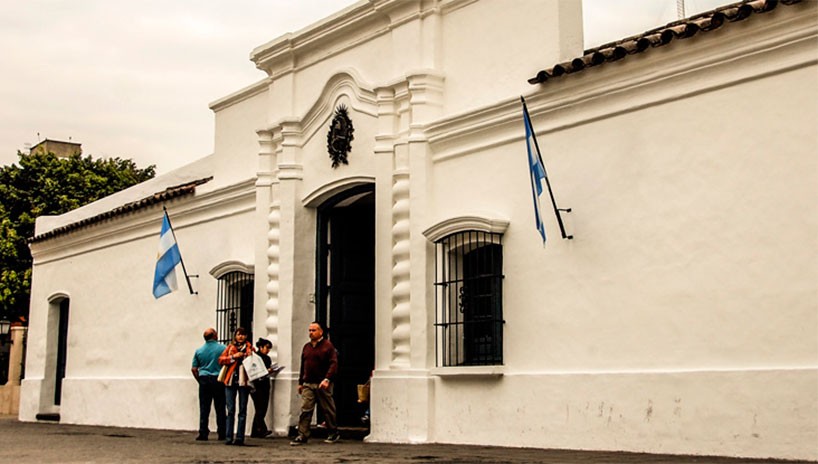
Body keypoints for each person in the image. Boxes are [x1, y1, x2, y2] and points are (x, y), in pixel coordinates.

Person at [290, 321, 339, 445]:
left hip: (322, 383)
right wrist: (301, 382)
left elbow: (333, 364)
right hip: (308, 383)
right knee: (305, 409)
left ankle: (333, 432)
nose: (311, 333)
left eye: (314, 330)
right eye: (310, 330)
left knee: (328, 409)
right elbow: (303, 365)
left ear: (321, 332)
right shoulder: (306, 347)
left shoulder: (328, 346)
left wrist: (327, 378)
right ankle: (302, 434)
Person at [218, 327, 254, 445]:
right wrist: (233, 357)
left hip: (244, 381)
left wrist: (247, 356)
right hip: (231, 381)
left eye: (243, 335)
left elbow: (255, 362)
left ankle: (239, 437)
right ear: (235, 336)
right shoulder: (230, 348)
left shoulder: (250, 349)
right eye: (239, 334)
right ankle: (228, 437)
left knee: (242, 410)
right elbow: (221, 360)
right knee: (230, 410)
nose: (241, 337)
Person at [191, 328, 226, 441]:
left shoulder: (199, 351)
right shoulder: (223, 348)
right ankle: (222, 432)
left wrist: (199, 379)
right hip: (218, 379)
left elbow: (194, 369)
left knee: (204, 407)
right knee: (220, 407)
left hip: (204, 379)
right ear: (215, 336)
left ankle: (203, 432)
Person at [250, 337, 274, 438]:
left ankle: (256, 430)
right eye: (266, 348)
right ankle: (261, 429)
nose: (268, 350)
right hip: (257, 385)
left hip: (264, 384)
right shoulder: (256, 358)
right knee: (260, 408)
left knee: (261, 408)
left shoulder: (267, 358)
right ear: (260, 347)